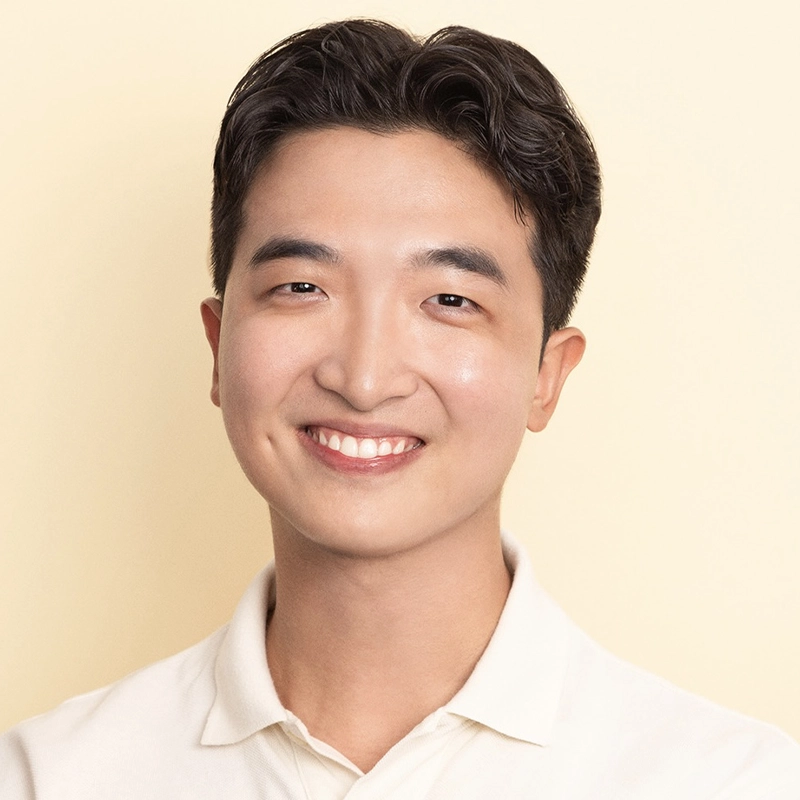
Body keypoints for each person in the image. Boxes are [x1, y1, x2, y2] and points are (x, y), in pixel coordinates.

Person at [1, 19, 798, 799]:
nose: (365, 375)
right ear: (218, 345)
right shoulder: (47, 777)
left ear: (547, 376)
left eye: (449, 299)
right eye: (301, 287)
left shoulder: (732, 782)